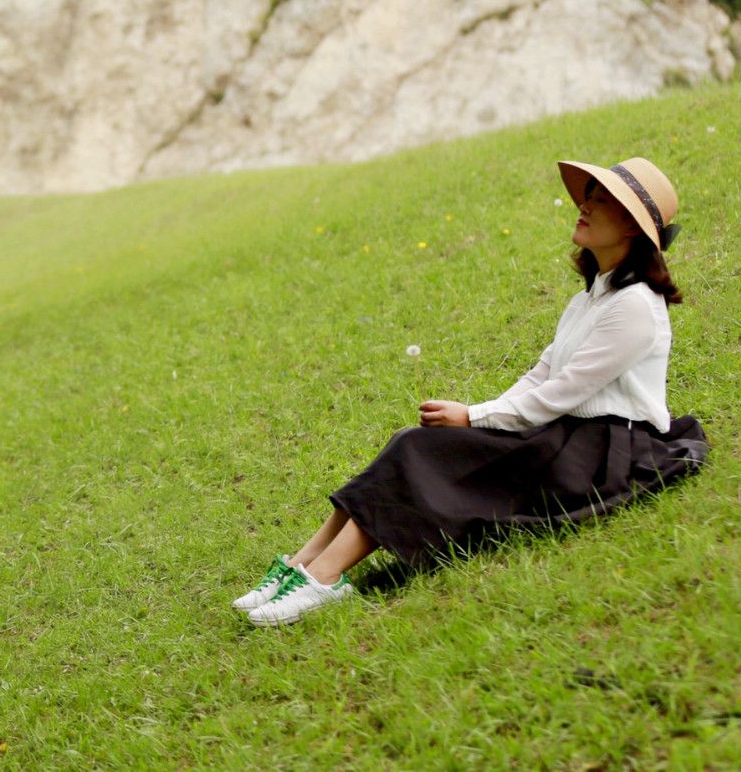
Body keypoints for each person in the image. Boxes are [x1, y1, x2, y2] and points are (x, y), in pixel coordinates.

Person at [234, 154, 711, 627]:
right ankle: (303, 564)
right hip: (565, 435)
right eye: (588, 196)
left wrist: (475, 418)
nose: (584, 206)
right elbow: (543, 372)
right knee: (410, 442)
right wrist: (483, 414)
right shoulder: (592, 297)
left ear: (631, 228)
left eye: (601, 201)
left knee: (422, 456)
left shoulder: (634, 308)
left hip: (598, 455)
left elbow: (563, 392)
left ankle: (324, 578)